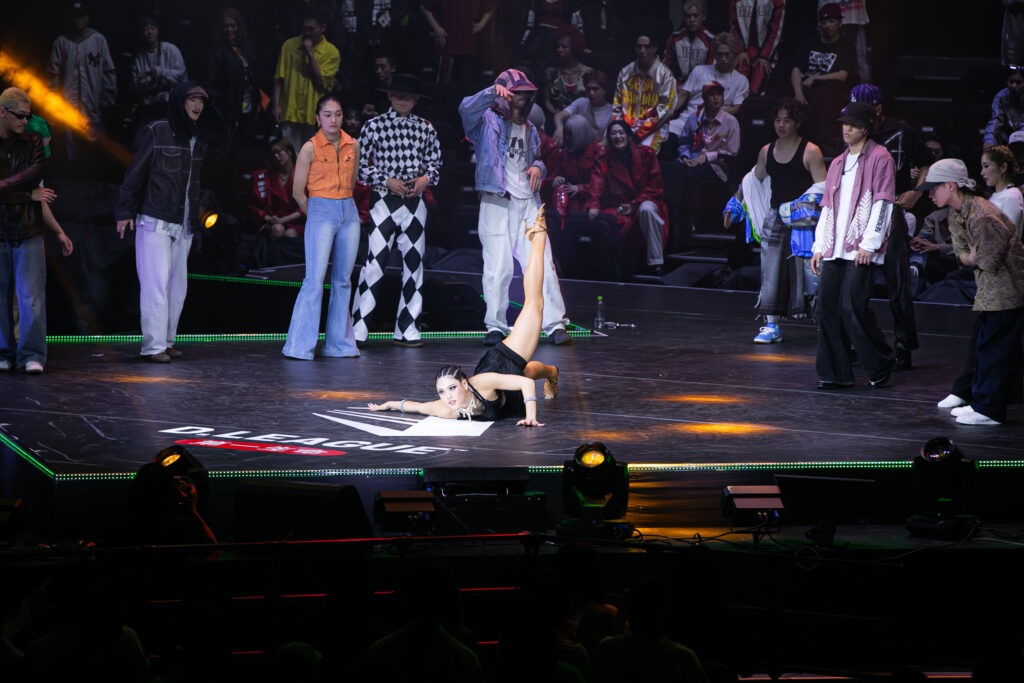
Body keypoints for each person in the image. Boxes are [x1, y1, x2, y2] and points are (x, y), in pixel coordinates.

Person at [368, 206, 559, 426]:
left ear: (465, 384)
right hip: (502, 388)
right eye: (442, 391)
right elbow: (414, 406)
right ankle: (551, 372)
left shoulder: (482, 383)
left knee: (534, 304)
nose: (448, 397)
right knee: (522, 373)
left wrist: (531, 417)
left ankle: (538, 236)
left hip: (502, 359)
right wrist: (386, 405)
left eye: (452, 388)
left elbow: (527, 385)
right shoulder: (444, 409)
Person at [459, 69, 572, 346]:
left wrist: (539, 167)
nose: (520, 96)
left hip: (529, 203)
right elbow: (465, 109)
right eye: (515, 91)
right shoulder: (486, 121)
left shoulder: (531, 129)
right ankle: (495, 327)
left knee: (543, 264)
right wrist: (490, 92)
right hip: (498, 201)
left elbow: (536, 158)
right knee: (498, 267)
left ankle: (555, 324)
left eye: (524, 92)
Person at [115, 82, 211, 364]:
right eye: (193, 100)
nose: (198, 106)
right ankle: (153, 346)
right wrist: (124, 211)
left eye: (201, 101)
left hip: (184, 222)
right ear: (180, 101)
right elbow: (135, 173)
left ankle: (167, 341)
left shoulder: (197, 136)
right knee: (155, 284)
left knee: (177, 288)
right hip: (155, 218)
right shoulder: (157, 131)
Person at [923, 159, 1024, 426]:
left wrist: (971, 256)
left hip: (1006, 288)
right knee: (984, 345)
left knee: (995, 348)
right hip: (989, 289)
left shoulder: (982, 214)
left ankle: (989, 409)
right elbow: (961, 253)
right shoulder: (957, 213)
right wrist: (970, 256)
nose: (930, 194)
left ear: (950, 185)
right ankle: (979, 400)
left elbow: (988, 261)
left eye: (934, 187)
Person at [810, 101, 896, 389]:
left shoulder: (880, 158)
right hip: (834, 247)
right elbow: (827, 207)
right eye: (845, 123)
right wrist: (819, 246)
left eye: (854, 124)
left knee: (852, 307)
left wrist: (869, 244)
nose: (847, 128)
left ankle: (879, 361)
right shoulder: (838, 162)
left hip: (860, 247)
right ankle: (834, 373)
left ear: (867, 128)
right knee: (826, 309)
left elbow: (883, 203)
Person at [351, 74, 442, 348]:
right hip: (384, 201)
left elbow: (435, 164)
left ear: (415, 100)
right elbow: (359, 166)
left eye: (408, 97)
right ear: (389, 97)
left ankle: (408, 329)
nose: (403, 100)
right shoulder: (374, 126)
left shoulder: (426, 127)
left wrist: (425, 179)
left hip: (415, 203)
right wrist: (385, 179)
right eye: (398, 95)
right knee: (374, 265)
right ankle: (357, 330)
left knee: (414, 265)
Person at [850, 83, 930, 371]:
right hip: (861, 210)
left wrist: (917, 193)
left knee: (897, 281)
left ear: (878, 109)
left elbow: (927, 162)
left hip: (891, 207)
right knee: (856, 282)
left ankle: (903, 347)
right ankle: (862, 343)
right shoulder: (853, 133)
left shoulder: (901, 131)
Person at [282, 95, 361, 360]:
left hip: (348, 210)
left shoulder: (353, 145)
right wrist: (316, 213)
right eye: (327, 115)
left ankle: (339, 344)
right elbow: (297, 192)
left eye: (337, 114)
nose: (333, 119)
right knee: (314, 280)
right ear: (318, 118)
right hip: (320, 209)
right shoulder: (309, 148)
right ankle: (299, 346)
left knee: (343, 281)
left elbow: (353, 182)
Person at [745, 98, 826, 343]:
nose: (781, 125)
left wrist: (800, 206)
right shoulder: (766, 151)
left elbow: (823, 186)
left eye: (787, 120)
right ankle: (771, 325)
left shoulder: (810, 151)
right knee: (770, 271)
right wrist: (736, 202)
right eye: (778, 120)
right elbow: (753, 179)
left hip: (804, 221)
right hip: (776, 217)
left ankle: (825, 325)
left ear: (797, 123)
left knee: (812, 273)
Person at [0, 88, 57, 375]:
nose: (25, 121)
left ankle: (32, 354)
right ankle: (3, 353)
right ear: (2, 112)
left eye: (28, 116)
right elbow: (27, 186)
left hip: (29, 228)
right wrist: (27, 195)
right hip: (0, 228)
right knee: (0, 297)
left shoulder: (33, 141)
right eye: (20, 116)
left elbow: (34, 175)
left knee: (31, 298)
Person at [585, 120, 669, 277]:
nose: (618, 137)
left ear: (629, 136)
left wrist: (635, 204)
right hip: (620, 206)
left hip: (645, 201)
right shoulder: (604, 158)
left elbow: (655, 186)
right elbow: (597, 182)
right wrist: (594, 205)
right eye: (613, 133)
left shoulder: (646, 154)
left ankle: (655, 263)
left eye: (621, 133)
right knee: (607, 217)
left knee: (646, 210)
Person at [667, 80, 741, 254]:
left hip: (718, 167)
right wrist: (685, 157)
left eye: (719, 95)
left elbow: (732, 152)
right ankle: (674, 229)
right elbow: (684, 141)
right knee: (673, 173)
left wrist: (706, 157)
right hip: (691, 161)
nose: (716, 98)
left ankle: (690, 227)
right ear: (704, 98)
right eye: (711, 95)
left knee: (692, 176)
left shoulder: (731, 121)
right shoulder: (694, 118)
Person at [47, 1, 116, 163]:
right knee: (67, 152)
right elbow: (52, 77)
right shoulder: (62, 41)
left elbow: (108, 72)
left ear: (87, 18)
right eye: (75, 16)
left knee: (93, 153)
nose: (78, 20)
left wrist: (107, 100)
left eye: (81, 16)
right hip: (67, 108)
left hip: (93, 108)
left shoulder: (98, 40)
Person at [273, 9, 341, 156]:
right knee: (289, 154)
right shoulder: (289, 45)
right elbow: (279, 78)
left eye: (311, 29)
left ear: (323, 28)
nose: (307, 33)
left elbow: (321, 83)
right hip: (289, 109)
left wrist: (310, 54)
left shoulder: (331, 52)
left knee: (311, 156)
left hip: (313, 113)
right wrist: (276, 105)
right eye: (304, 28)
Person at [791, 3, 857, 150]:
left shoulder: (845, 46)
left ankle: (823, 143)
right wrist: (798, 93)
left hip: (829, 89)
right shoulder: (810, 42)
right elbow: (796, 69)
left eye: (831, 21)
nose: (827, 25)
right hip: (805, 87)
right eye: (824, 22)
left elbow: (843, 75)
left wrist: (815, 78)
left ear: (840, 23)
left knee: (823, 95)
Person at [612, 30, 678, 152]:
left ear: (654, 48)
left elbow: (666, 110)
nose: (642, 51)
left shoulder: (665, 75)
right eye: (639, 46)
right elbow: (617, 104)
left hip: (654, 128)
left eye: (647, 47)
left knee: (642, 152)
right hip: (626, 126)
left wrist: (639, 134)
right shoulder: (625, 73)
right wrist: (621, 128)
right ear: (635, 48)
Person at [207, 8, 259, 148]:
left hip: (248, 106)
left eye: (232, 26)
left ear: (238, 27)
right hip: (228, 109)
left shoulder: (247, 48)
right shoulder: (217, 52)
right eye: (225, 26)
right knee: (227, 147)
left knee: (245, 145)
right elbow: (213, 84)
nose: (229, 29)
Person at [673, 32, 749, 125]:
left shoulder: (741, 81)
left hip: (716, 123)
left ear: (734, 54)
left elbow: (737, 108)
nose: (723, 58)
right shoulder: (699, 70)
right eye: (720, 54)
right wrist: (668, 112)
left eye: (727, 54)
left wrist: (711, 113)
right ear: (715, 55)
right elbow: (683, 94)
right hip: (687, 119)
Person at [129, 15, 188, 126]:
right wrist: (144, 77)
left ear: (157, 30)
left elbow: (180, 76)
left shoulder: (171, 50)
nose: (149, 32)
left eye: (152, 28)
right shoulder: (138, 58)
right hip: (148, 107)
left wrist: (158, 72)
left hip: (170, 103)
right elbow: (134, 85)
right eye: (145, 29)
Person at [248, 138, 305, 241]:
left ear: (289, 152)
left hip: (297, 222)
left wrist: (284, 220)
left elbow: (308, 205)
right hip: (272, 222)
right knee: (277, 229)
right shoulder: (262, 178)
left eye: (278, 152)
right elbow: (253, 206)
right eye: (273, 154)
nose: (276, 156)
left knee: (291, 233)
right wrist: (267, 218)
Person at [730, 0, 786, 96]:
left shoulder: (777, 1)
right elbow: (733, 25)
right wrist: (740, 50)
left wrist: (765, 56)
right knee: (737, 89)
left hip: (764, 52)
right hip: (743, 51)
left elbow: (776, 29)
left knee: (756, 92)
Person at [544, 26, 593, 119]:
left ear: (574, 47)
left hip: (581, 119)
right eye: (557, 46)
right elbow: (547, 101)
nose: (559, 50)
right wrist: (558, 116)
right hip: (556, 118)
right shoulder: (551, 73)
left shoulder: (588, 73)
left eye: (564, 47)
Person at [552, 70, 612, 147]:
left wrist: (589, 150)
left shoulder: (611, 111)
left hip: (598, 150)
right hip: (575, 147)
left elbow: (606, 141)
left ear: (604, 90)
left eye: (595, 89)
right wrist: (559, 128)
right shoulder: (581, 102)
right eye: (588, 89)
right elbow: (559, 115)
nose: (591, 93)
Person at [663, 0, 715, 88]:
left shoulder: (711, 40)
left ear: (703, 17)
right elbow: (666, 67)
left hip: (701, 88)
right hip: (677, 86)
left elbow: (711, 72)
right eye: (688, 16)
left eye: (695, 16)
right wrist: (675, 85)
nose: (691, 20)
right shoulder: (674, 38)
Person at [980, 144, 1024, 235]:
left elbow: (1007, 236)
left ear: (1003, 167)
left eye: (986, 166)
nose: (982, 172)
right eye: (982, 167)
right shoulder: (995, 196)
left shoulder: (1011, 196)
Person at [983, 67, 1024, 149]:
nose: (1014, 86)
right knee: (994, 138)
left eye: (1018, 82)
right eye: (1011, 82)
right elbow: (996, 119)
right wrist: (989, 139)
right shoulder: (1001, 96)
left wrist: (1018, 138)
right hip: (1008, 135)